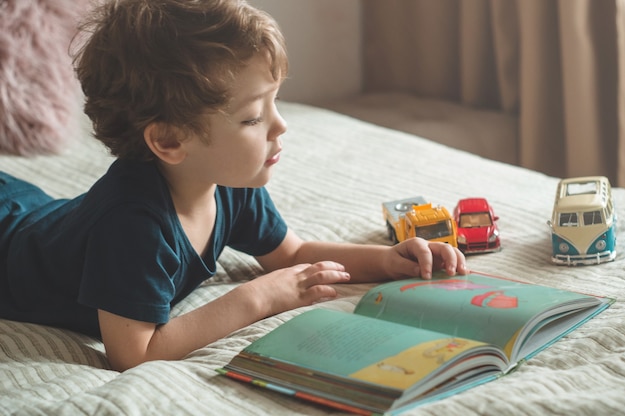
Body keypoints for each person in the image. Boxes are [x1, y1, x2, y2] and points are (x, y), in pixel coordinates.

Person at [0, 0, 467, 372]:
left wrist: (388, 262)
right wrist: (257, 297)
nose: (280, 126)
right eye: (252, 116)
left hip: (39, 213)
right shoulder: (131, 224)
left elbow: (290, 255)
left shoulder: (230, 182)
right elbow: (134, 353)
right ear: (169, 140)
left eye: (275, 102)